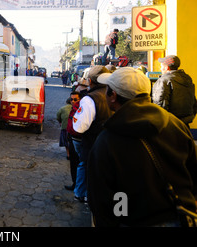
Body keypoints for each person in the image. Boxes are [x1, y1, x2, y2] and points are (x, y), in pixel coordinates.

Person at [88, 67, 197, 226]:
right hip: (181, 217)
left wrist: (120, 217)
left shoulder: (107, 141)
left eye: (107, 90)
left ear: (113, 96)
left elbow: (102, 198)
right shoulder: (176, 125)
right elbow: (193, 172)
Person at [72, 65, 112, 202]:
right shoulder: (113, 94)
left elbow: (80, 127)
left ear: (90, 81)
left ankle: (81, 193)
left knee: (84, 165)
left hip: (92, 142)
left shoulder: (90, 99)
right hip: (109, 142)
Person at [151, 55, 197, 127]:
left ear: (167, 67)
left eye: (161, 66)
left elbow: (160, 105)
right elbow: (194, 103)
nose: (160, 69)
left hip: (170, 126)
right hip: (185, 124)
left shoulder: (164, 81)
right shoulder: (188, 80)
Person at [64, 90, 85, 191]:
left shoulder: (80, 109)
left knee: (77, 165)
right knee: (74, 164)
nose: (73, 101)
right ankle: (75, 184)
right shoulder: (73, 108)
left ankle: (77, 186)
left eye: (75, 99)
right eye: (71, 99)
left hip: (77, 140)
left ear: (80, 99)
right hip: (71, 138)